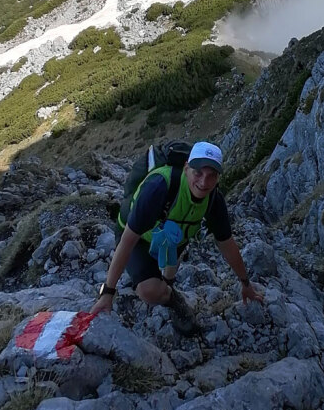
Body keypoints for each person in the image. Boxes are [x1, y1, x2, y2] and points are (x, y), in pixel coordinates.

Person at [91, 141, 263, 333]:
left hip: (173, 235)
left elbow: (227, 243)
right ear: (187, 168)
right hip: (139, 237)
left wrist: (245, 284)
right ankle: (173, 299)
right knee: (149, 291)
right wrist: (107, 293)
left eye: (212, 176)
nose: (204, 182)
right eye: (198, 173)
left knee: (167, 276)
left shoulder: (214, 199)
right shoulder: (159, 186)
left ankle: (169, 288)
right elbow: (128, 241)